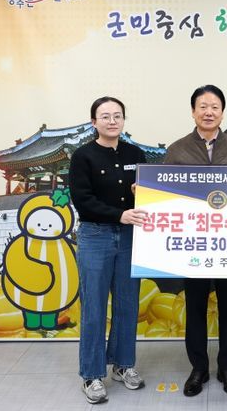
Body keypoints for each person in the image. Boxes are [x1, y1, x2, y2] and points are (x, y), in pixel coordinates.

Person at [164, 85, 227, 397]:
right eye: (202, 106)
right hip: (193, 244)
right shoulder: (177, 150)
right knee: (195, 309)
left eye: (215, 106)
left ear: (223, 113)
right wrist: (143, 191)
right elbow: (162, 192)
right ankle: (198, 368)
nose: (209, 112)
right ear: (193, 112)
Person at [69, 96, 147, 404]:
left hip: (130, 236)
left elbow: (149, 195)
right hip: (95, 236)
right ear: (94, 122)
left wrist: (141, 193)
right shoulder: (82, 156)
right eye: (105, 116)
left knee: (127, 304)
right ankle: (91, 374)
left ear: (124, 120)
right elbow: (83, 200)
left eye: (117, 115)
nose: (112, 121)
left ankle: (124, 365)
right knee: (94, 307)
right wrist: (119, 214)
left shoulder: (135, 154)